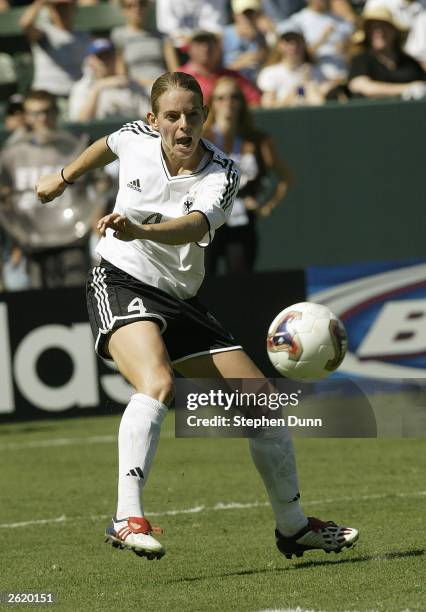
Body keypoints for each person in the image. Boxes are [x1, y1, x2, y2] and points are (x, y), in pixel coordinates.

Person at [35, 71, 358, 560]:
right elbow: (107, 143)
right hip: (121, 279)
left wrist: (141, 229)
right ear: (153, 120)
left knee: (264, 407)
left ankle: (292, 527)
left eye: (192, 114)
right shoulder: (135, 138)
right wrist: (62, 178)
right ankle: (127, 516)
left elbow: (192, 228)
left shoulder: (223, 172)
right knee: (157, 384)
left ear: (205, 116)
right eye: (172, 116)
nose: (183, 124)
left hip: (181, 298)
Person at [0, 90, 100, 289]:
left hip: (72, 238)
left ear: (56, 112)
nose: (43, 119)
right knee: (40, 308)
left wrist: (92, 219)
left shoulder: (76, 148)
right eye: (35, 114)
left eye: (47, 112)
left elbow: (100, 184)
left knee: (77, 302)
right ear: (26, 117)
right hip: (33, 241)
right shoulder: (12, 154)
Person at [203, 76, 292, 274]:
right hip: (206, 221)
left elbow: (286, 177)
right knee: (203, 284)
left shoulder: (258, 140)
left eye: (234, 97)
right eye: (221, 98)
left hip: (242, 221)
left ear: (242, 103)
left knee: (241, 284)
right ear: (211, 104)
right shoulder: (201, 139)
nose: (228, 103)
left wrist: (267, 205)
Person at [348, 6, 426, 99]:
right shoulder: (361, 60)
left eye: (384, 27)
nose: (379, 32)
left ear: (394, 31)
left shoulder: (410, 62)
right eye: (373, 28)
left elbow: (422, 85)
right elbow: (360, 87)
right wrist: (407, 89)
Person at [19, 0, 91, 98]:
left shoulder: (83, 35)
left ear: (74, 7)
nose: (62, 11)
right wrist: (41, 2)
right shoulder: (45, 32)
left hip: (75, 95)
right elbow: (25, 24)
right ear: (49, 9)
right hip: (48, 95)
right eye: (57, 7)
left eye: (66, 6)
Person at [68, 38, 151, 122]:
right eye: (100, 57)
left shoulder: (131, 85)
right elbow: (80, 122)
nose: (104, 62)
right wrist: (97, 88)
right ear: (90, 60)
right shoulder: (82, 87)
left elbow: (147, 117)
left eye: (107, 56)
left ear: (115, 59)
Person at [278, 0, 355, 80]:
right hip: (315, 76)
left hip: (342, 73)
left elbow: (353, 48)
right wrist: (322, 39)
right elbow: (299, 52)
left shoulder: (339, 20)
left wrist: (345, 48)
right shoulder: (298, 21)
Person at [180, 31, 262, 105]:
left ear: (218, 49)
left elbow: (254, 100)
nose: (205, 48)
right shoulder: (179, 78)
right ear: (189, 49)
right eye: (199, 43)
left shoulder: (232, 76)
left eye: (210, 43)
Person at [111, 0, 179, 89]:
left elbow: (175, 70)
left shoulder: (163, 37)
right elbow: (121, 72)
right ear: (123, 10)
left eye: (141, 4)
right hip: (135, 88)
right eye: (130, 6)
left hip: (162, 86)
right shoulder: (118, 35)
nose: (137, 9)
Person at [258, 23, 326, 106]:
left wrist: (308, 82)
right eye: (287, 42)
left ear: (304, 44)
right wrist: (295, 92)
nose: (293, 47)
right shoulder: (269, 72)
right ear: (279, 45)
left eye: (297, 41)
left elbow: (320, 102)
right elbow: (268, 105)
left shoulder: (317, 70)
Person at [222, 0, 268, 84]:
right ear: (235, 15)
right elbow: (219, 70)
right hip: (232, 84)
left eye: (251, 14)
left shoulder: (262, 36)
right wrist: (242, 63)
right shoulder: (225, 35)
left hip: (254, 86)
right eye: (245, 14)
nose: (248, 18)